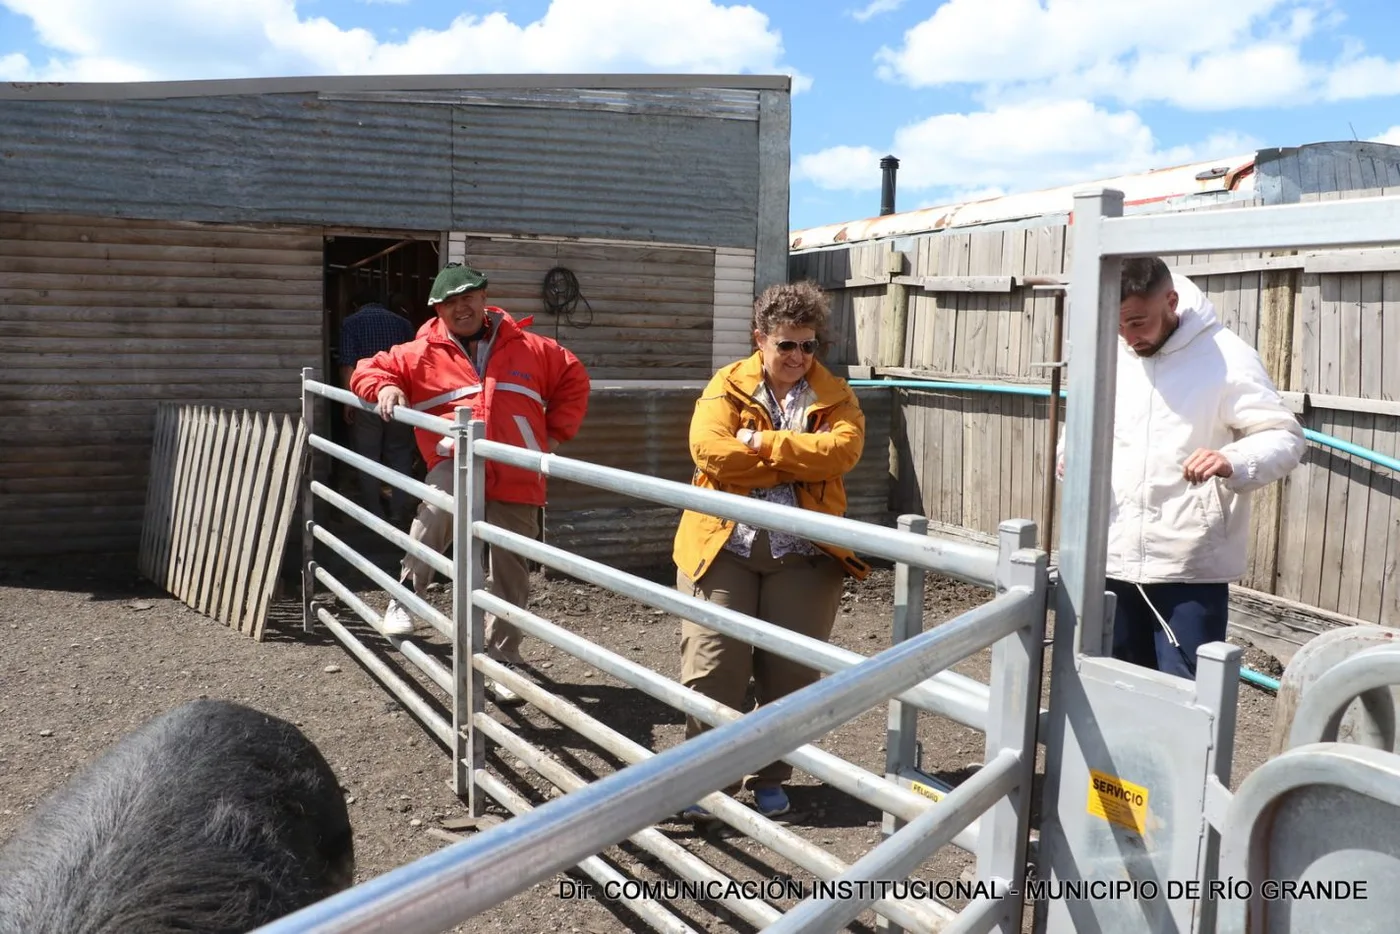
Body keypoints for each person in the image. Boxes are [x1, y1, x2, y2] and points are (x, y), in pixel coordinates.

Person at [671, 280, 871, 820]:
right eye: (786, 344)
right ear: (760, 339)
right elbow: (711, 453)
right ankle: (707, 779)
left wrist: (761, 444)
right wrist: (798, 458)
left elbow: (842, 453)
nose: (798, 357)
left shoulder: (834, 394)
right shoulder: (726, 385)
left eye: (809, 345)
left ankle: (771, 776)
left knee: (789, 674)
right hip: (725, 545)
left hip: (804, 554)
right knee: (714, 667)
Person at [350, 263, 591, 703]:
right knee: (436, 505)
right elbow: (367, 369)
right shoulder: (418, 352)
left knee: (512, 569)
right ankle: (406, 595)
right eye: (449, 302)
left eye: (468, 298)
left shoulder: (534, 348)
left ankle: (504, 659)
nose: (460, 308)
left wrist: (552, 435)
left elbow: (574, 379)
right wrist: (383, 388)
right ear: (437, 310)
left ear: (484, 299)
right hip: (455, 459)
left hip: (517, 467)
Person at [1057, 256, 1304, 679]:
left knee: (1186, 695)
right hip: (1110, 555)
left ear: (1171, 300)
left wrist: (1234, 459)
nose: (1129, 337)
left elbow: (1286, 436)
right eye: (1118, 325)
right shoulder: (1107, 351)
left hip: (1187, 566)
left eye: (1138, 322)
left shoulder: (1225, 356)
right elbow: (1084, 417)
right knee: (1112, 684)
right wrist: (1070, 449)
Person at [338, 290, 418, 524]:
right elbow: (414, 361)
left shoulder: (351, 323)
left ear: (355, 305)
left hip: (366, 397)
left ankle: (374, 513)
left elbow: (347, 363)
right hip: (399, 397)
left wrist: (347, 400)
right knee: (400, 453)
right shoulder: (402, 324)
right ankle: (399, 510)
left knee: (368, 455)